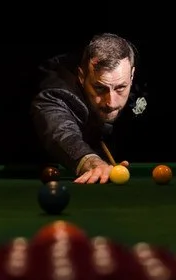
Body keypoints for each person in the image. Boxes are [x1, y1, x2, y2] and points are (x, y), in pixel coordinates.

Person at [30, 33, 148, 184]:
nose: (111, 102)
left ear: (131, 76)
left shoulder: (142, 84)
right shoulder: (59, 92)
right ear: (81, 76)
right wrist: (91, 162)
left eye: (120, 88)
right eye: (99, 88)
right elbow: (60, 131)